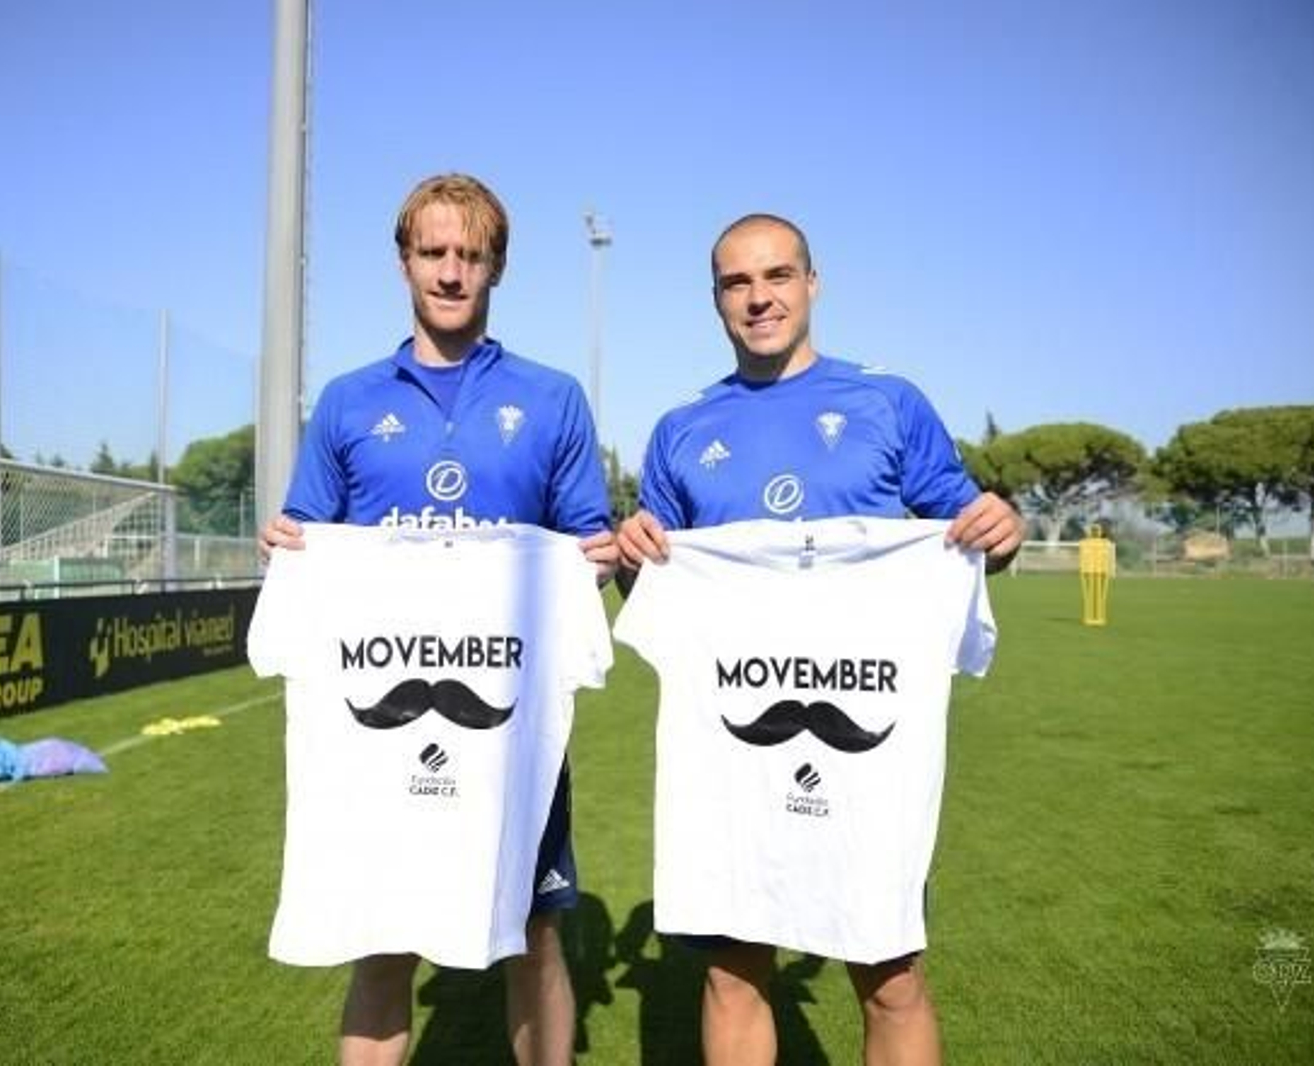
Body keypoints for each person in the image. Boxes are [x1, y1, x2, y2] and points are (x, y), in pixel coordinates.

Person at [615, 213, 1024, 1066]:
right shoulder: (681, 429)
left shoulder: (889, 401)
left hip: (867, 739)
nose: (759, 297)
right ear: (716, 299)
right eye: (737, 282)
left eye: (777, 276)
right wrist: (634, 553)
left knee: (892, 974)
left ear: (812, 283)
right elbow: (653, 588)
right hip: (735, 742)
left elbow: (962, 535)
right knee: (734, 974)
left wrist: (1001, 529)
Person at [259, 173, 617, 1066]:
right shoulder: (346, 401)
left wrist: (599, 558)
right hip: (380, 722)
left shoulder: (552, 397)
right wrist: (291, 550)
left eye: (471, 254)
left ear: (497, 266)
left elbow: (585, 553)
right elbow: (310, 541)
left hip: (508, 717)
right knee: (383, 934)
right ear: (403, 261)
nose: (452, 272)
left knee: (533, 931)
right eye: (434, 252)